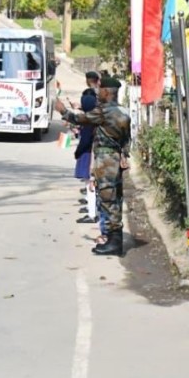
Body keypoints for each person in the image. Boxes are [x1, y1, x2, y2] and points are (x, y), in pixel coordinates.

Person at [54, 77, 132, 256]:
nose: (98, 93)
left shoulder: (103, 112)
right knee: (115, 198)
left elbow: (80, 119)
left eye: (100, 90)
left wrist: (63, 111)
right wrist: (124, 155)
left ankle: (113, 242)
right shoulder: (123, 111)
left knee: (106, 199)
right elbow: (126, 138)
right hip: (116, 158)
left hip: (105, 159)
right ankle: (115, 238)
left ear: (106, 92)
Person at [74, 81, 98, 224]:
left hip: (89, 155)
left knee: (91, 183)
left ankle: (92, 213)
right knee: (90, 182)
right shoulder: (94, 117)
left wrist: (78, 152)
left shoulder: (89, 121)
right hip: (92, 154)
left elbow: (86, 140)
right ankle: (91, 209)